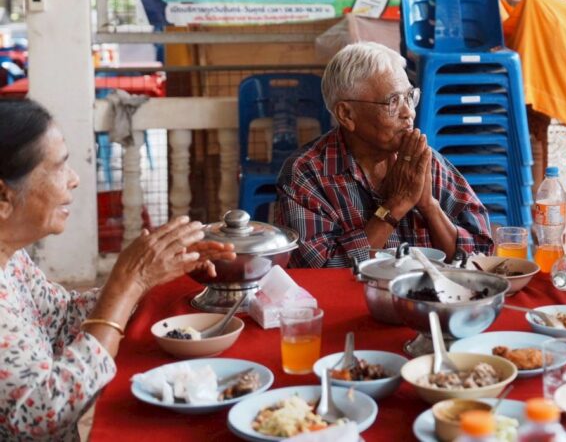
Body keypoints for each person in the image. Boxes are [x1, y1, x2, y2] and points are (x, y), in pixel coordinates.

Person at [0, 99, 236, 441]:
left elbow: (61, 319)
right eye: (59, 167)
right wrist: (129, 282)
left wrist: (152, 273)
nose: (74, 179)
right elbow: (46, 411)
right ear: (3, 196)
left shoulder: (11, 259)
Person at [276, 42, 493, 268]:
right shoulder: (306, 174)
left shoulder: (421, 160)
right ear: (346, 114)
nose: (408, 113)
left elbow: (480, 253)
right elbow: (319, 270)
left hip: (427, 291)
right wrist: (395, 205)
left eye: (409, 97)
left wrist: (429, 206)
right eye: (393, 101)